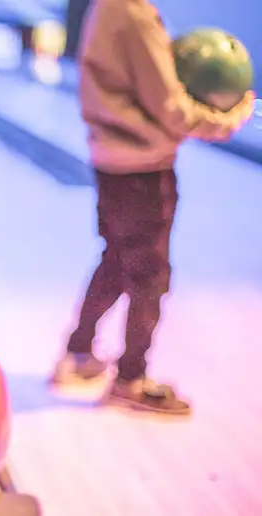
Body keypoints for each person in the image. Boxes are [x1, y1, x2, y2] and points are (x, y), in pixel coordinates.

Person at [50, 0, 255, 415]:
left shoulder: (107, 6)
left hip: (112, 161)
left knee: (116, 262)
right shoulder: (132, 10)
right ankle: (131, 380)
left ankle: (77, 354)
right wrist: (231, 117)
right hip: (142, 169)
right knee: (150, 277)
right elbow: (173, 108)